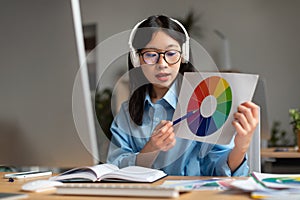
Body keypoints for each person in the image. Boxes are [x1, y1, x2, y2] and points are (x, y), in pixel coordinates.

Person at [106, 15, 258, 176]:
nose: (162, 64)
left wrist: (241, 147)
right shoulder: (126, 113)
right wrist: (150, 149)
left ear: (183, 56)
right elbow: (114, 169)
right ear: (137, 59)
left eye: (171, 53)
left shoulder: (205, 105)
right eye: (151, 55)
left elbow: (218, 168)